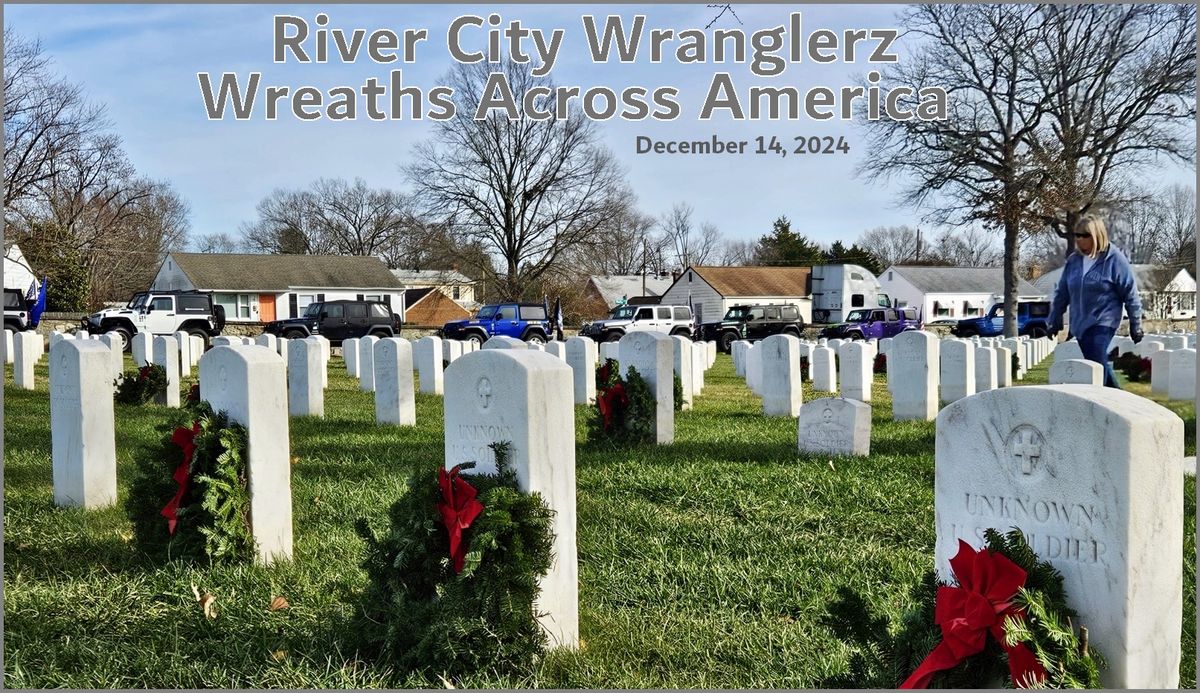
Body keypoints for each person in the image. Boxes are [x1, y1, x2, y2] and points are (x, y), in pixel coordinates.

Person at [1048, 214, 1144, 388]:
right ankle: (1115, 399)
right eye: (1077, 235)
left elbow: (1130, 293)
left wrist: (1135, 324)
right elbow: (1062, 292)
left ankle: (1118, 402)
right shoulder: (1074, 261)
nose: (1080, 240)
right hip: (1080, 323)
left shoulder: (1114, 260)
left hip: (1104, 320)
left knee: (1097, 359)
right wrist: (1054, 319)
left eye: (1085, 235)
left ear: (1097, 236)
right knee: (1096, 365)